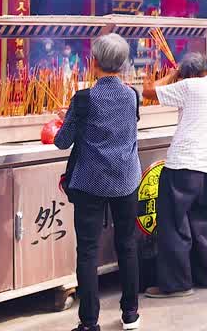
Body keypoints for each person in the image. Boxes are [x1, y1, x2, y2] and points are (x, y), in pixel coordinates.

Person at [53, 33, 143, 331]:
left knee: (88, 251)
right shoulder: (133, 95)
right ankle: (130, 313)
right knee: (127, 245)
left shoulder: (83, 99)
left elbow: (62, 142)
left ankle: (89, 322)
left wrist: (66, 119)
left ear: (94, 63)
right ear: (124, 64)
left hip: (90, 182)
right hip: (126, 180)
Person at [141, 52, 207, 299]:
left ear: (189, 73)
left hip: (182, 165)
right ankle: (205, 276)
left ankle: (176, 284)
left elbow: (148, 91)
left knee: (173, 225)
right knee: (202, 223)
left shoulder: (189, 85)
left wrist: (174, 74)